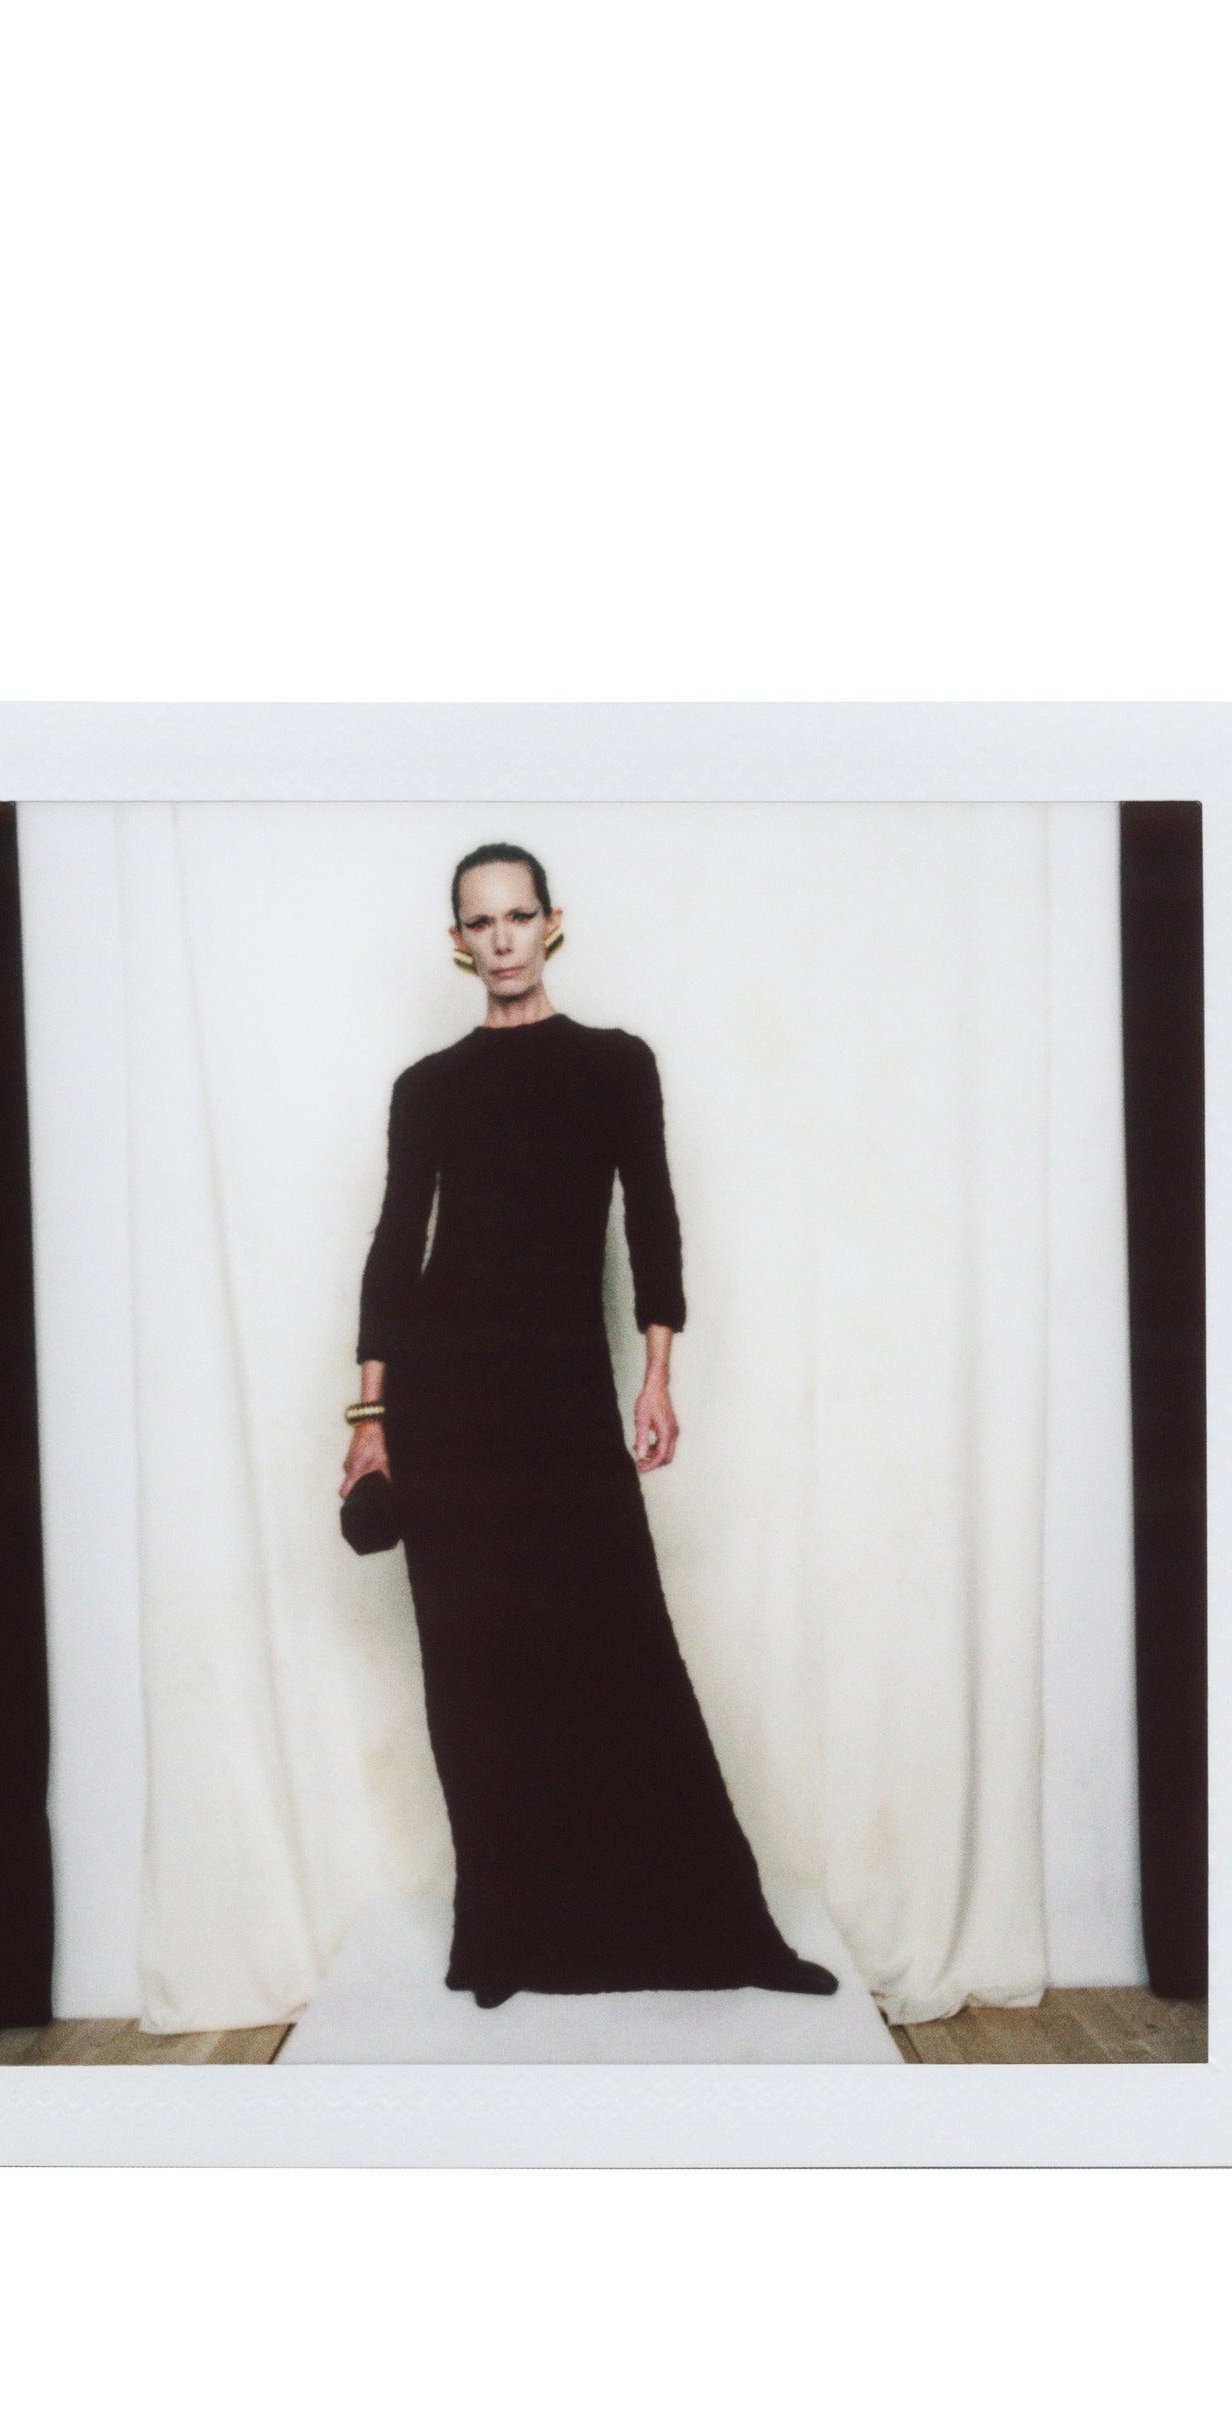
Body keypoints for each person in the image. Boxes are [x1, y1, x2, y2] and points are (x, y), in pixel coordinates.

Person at [341, 843, 836, 2009]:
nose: (503, 939)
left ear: (551, 923)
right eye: (481, 922)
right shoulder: (428, 1087)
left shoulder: (616, 1065)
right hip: (448, 1409)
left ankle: (719, 1936)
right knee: (478, 1674)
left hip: (565, 1397)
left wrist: (656, 1374)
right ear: (458, 942)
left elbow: (653, 1216)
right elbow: (395, 1246)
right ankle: (503, 1941)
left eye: (519, 916)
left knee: (617, 1648)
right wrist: (370, 1417)